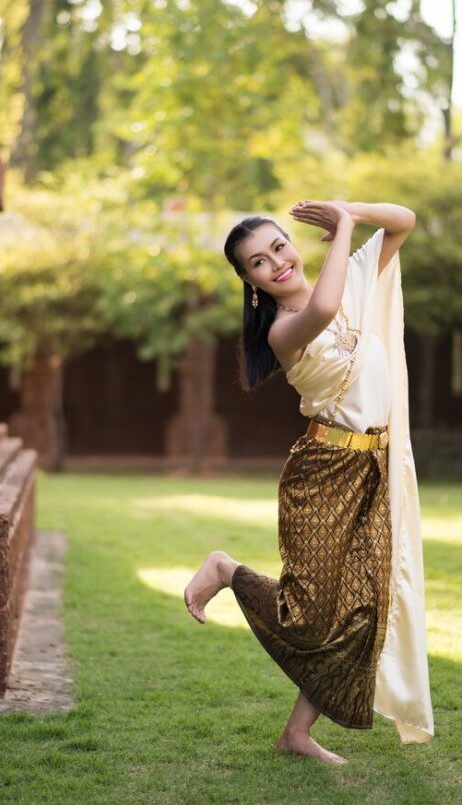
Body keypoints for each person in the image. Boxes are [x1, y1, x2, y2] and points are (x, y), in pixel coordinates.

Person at [184, 199, 435, 765]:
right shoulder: (283, 331)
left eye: (279, 246)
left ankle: (296, 733)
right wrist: (346, 229)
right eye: (257, 263)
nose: (276, 262)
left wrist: (351, 208)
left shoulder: (355, 278)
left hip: (374, 468)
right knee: (311, 614)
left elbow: (405, 220)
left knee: (364, 608)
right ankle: (225, 570)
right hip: (323, 475)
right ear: (250, 283)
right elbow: (323, 308)